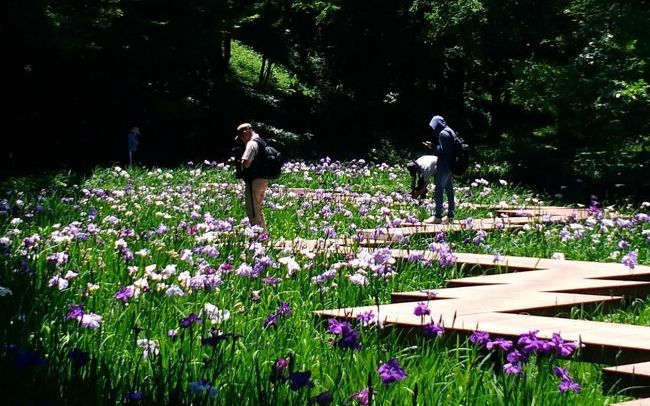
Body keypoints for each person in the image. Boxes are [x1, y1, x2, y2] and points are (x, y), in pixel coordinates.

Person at [235, 122, 269, 229]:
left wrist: (239, 162)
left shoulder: (252, 144)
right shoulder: (261, 142)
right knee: (257, 207)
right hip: (263, 178)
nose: (241, 140)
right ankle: (263, 234)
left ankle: (257, 236)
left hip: (254, 180)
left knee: (252, 209)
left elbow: (246, 162)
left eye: (241, 136)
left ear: (246, 132)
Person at [423, 115, 456, 224]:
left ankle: (437, 216)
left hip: (444, 165)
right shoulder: (450, 131)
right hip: (451, 165)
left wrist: (432, 146)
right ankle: (450, 216)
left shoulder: (443, 134)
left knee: (439, 190)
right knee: (450, 191)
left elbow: (442, 151)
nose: (434, 129)